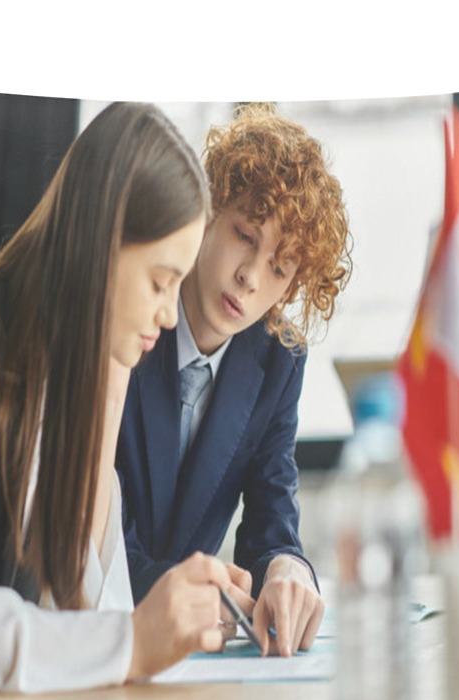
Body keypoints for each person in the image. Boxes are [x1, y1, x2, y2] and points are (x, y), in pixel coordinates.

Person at [0, 102, 231, 700]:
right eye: (159, 281)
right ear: (102, 241)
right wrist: (131, 643)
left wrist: (114, 379)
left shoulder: (67, 391)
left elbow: (83, 620)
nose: (169, 314)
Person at [117, 104, 351, 658]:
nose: (250, 277)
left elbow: (272, 517)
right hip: (92, 628)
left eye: (279, 268)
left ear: (291, 289)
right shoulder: (130, 308)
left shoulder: (279, 361)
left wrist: (287, 571)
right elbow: (92, 545)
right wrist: (198, 600)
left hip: (192, 659)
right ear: (208, 210)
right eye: (245, 234)